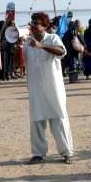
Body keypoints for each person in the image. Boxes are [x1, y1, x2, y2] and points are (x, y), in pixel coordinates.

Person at [24, 13, 74, 164]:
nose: (33, 26)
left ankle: (67, 152)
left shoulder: (53, 38)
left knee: (59, 119)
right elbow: (21, 61)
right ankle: (38, 153)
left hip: (53, 88)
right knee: (36, 121)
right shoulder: (27, 42)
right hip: (35, 89)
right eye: (32, 23)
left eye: (37, 23)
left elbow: (62, 52)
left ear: (45, 26)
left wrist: (41, 46)